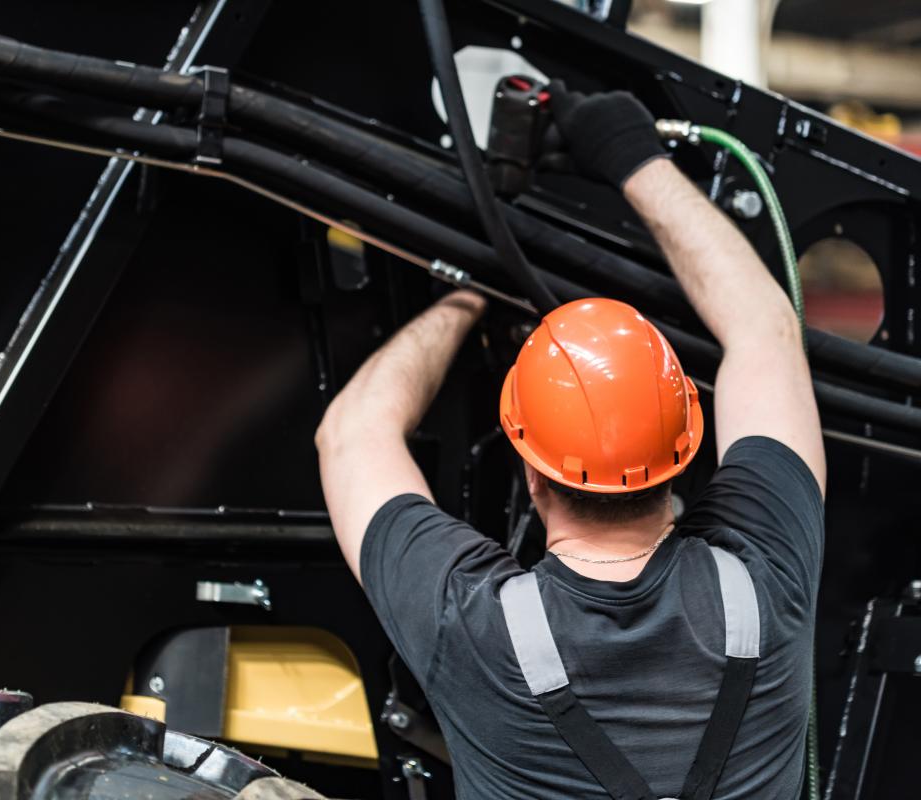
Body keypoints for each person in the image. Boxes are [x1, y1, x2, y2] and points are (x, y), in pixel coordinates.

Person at [314, 85, 825, 799]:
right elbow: (765, 330)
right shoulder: (768, 580)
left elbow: (352, 430)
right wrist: (630, 153)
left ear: (531, 473)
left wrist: (470, 292)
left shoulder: (473, 630)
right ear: (683, 452)